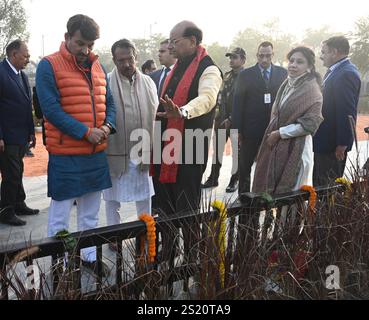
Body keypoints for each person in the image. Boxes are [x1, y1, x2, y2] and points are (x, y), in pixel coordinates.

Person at [36, 14, 116, 274]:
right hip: (66, 154)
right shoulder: (48, 65)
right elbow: (50, 109)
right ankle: (58, 262)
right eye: (80, 43)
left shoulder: (98, 66)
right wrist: (84, 132)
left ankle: (89, 256)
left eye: (90, 45)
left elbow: (110, 104)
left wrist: (106, 127)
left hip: (95, 154)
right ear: (67, 38)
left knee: (90, 215)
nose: (85, 50)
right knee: (60, 216)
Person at [152, 21, 222, 262]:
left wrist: (182, 112)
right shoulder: (174, 69)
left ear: (192, 41)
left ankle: (193, 256)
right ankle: (169, 249)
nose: (171, 46)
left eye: (175, 41)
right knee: (165, 204)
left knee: (187, 206)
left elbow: (207, 98)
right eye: (169, 41)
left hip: (191, 147)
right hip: (167, 146)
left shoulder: (209, 69)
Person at [103, 39, 158, 229]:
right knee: (112, 198)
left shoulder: (149, 82)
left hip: (142, 149)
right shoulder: (106, 82)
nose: (127, 64)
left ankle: (146, 232)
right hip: (115, 151)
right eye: (121, 60)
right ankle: (113, 235)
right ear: (114, 60)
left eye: (130, 59)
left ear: (136, 57)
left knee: (144, 195)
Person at [252, 47, 323, 194]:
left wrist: (280, 133)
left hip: (298, 148)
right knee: (272, 193)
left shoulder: (312, 90)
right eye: (291, 61)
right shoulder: (288, 84)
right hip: (278, 144)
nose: (293, 65)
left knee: (291, 200)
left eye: (300, 62)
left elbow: (311, 124)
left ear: (309, 67)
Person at [232, 42, 287, 195]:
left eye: (268, 55)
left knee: (270, 167)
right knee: (245, 166)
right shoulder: (245, 75)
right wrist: (237, 131)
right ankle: (244, 199)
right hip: (250, 130)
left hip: (273, 130)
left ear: (272, 55)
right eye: (261, 55)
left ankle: (267, 200)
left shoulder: (283, 73)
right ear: (257, 56)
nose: (264, 59)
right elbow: (237, 104)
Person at [0, 40, 39, 227]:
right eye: (25, 55)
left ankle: (18, 203)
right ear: (14, 54)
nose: (28, 59)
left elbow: (26, 106)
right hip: (6, 136)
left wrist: (31, 132)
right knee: (11, 173)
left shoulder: (22, 76)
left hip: (21, 135)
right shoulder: (1, 72)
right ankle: (6, 210)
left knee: (19, 170)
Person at [313, 36, 361, 186]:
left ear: (334, 52)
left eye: (324, 52)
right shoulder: (335, 71)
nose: (321, 56)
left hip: (332, 146)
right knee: (320, 186)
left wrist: (342, 144)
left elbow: (346, 111)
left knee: (327, 190)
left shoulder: (345, 73)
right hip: (325, 142)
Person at [201, 47, 246, 192]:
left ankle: (234, 181)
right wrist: (218, 117)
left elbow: (245, 101)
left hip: (237, 121)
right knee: (218, 150)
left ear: (243, 60)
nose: (231, 60)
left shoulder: (247, 77)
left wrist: (232, 119)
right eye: (230, 57)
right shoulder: (226, 76)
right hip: (221, 120)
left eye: (235, 57)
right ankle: (213, 178)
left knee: (236, 153)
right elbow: (219, 98)